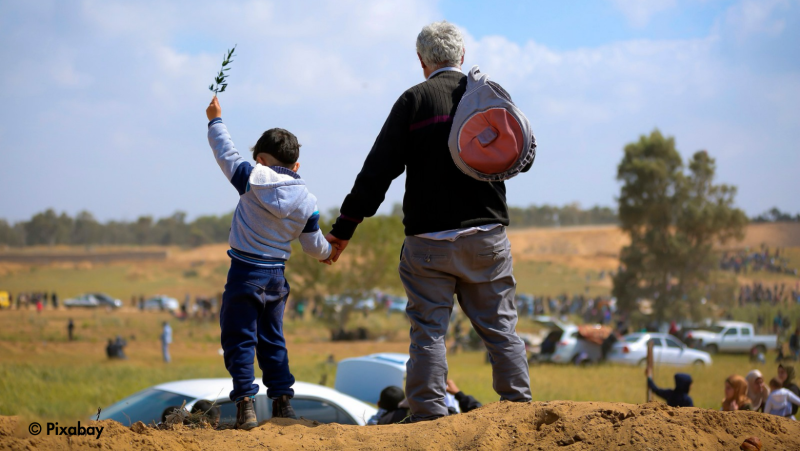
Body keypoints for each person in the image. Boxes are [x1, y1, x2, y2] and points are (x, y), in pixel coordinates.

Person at [324, 20, 533, 423]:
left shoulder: (413, 101)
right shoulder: (488, 97)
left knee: (429, 332)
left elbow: (377, 172)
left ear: (421, 60)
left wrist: (343, 230)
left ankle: (428, 421)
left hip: (429, 244)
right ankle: (520, 412)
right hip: (487, 236)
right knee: (501, 328)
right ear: (463, 56)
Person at [205, 95, 334, 430]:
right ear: (296, 167)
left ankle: (246, 405)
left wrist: (215, 119)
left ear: (260, 159)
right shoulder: (307, 201)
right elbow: (313, 245)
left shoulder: (250, 178)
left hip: (245, 273)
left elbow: (224, 152)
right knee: (272, 339)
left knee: (239, 339)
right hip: (277, 278)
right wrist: (328, 254)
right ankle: (282, 404)